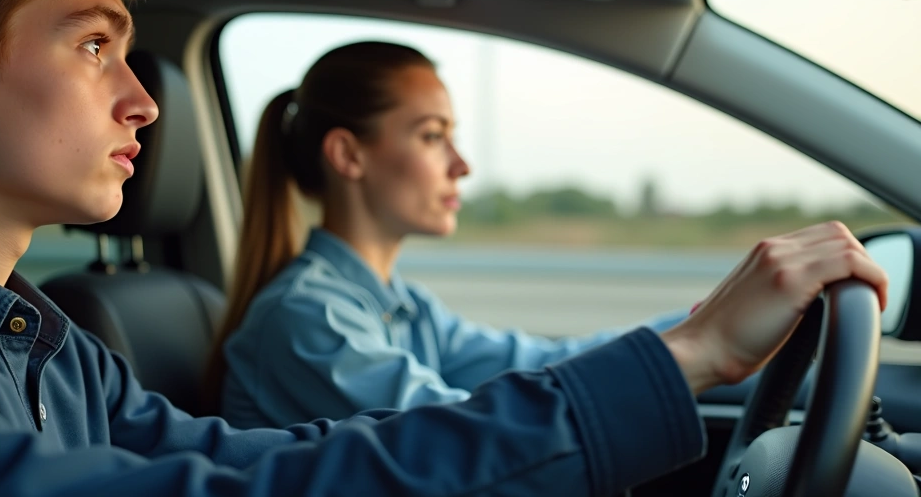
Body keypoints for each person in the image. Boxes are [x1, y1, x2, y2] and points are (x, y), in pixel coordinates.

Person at [0, 0, 888, 497]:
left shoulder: (48, 347)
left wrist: (684, 356)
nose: (143, 102)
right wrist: (678, 360)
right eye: (91, 46)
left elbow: (244, 463)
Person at [206, 42, 693, 428]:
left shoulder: (403, 307)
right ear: (348, 155)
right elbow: (470, 434)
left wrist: (699, 325)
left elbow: (543, 362)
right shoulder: (308, 320)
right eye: (432, 136)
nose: (462, 166)